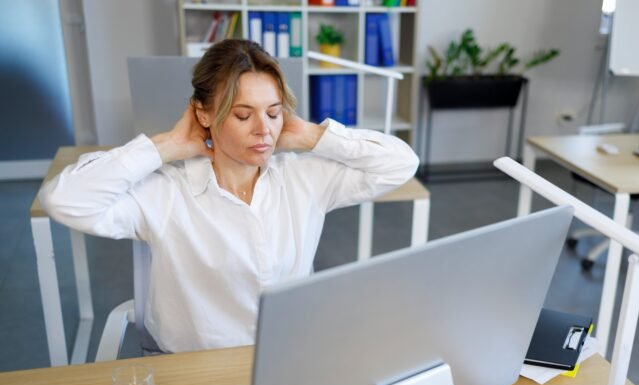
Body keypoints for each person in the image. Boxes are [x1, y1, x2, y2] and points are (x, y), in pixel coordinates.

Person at [40, 39, 418, 354]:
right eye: (243, 115)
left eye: (273, 113)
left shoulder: (302, 178)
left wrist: (312, 136)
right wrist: (166, 145)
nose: (263, 130)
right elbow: (64, 199)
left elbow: (400, 164)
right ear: (204, 114)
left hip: (284, 358)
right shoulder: (166, 193)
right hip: (193, 369)